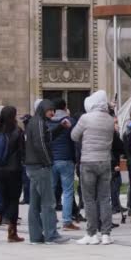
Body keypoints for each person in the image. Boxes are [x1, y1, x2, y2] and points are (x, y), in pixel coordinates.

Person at [71, 91, 115, 245]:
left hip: (88, 161)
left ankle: (91, 233)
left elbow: (74, 136)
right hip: (105, 161)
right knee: (104, 198)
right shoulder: (110, 119)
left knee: (89, 199)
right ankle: (106, 234)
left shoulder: (85, 118)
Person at [25, 99, 71, 244]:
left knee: (35, 203)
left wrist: (60, 128)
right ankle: (52, 235)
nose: (52, 113)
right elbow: (41, 144)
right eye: (50, 110)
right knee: (48, 202)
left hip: (32, 167)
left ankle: (36, 236)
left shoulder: (35, 122)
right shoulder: (38, 122)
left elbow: (47, 137)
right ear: (43, 109)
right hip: (40, 167)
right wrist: (48, 161)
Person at [0, 106, 25, 242]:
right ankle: (12, 232)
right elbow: (22, 151)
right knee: (13, 199)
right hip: (13, 170)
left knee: (1, 194)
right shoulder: (17, 131)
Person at [47, 98, 79, 231]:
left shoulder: (47, 122)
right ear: (65, 107)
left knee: (53, 190)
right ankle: (66, 221)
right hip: (66, 159)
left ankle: (51, 218)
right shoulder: (70, 121)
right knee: (67, 191)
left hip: (52, 160)